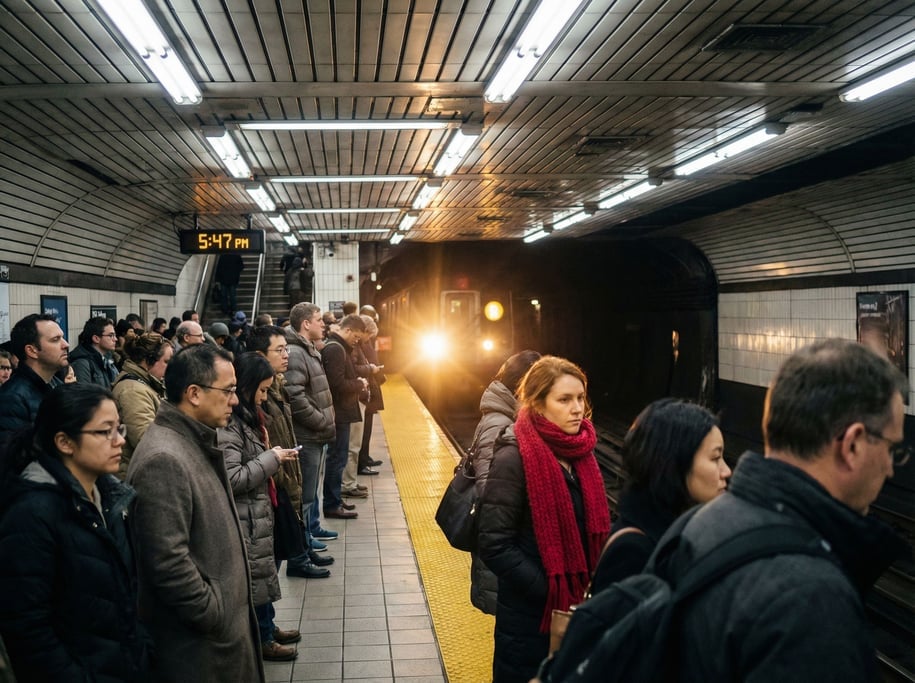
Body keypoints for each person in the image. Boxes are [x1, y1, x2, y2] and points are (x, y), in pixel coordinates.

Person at [672, 339, 909, 680]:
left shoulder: (698, 524)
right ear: (853, 444)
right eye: (891, 448)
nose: (890, 468)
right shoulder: (810, 601)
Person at [126, 344, 264, 683]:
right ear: (194, 393)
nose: (235, 400)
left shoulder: (193, 441)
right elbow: (166, 562)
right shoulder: (165, 458)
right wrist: (212, 611)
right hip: (204, 649)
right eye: (228, 391)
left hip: (220, 639)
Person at [0, 383, 150, 681]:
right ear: (64, 442)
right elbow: (27, 628)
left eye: (119, 428)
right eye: (105, 431)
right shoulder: (32, 515)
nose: (120, 440)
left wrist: (144, 652)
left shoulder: (109, 499)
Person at [477, 355, 611, 683]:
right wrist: (549, 589)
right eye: (564, 400)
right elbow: (493, 543)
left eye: (580, 398)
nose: (577, 408)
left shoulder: (582, 452)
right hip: (529, 619)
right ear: (537, 404)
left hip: (578, 610)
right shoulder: (513, 458)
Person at [588, 398, 730, 595]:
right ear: (675, 465)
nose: (727, 471)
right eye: (715, 458)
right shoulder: (631, 553)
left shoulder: (674, 530)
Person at [218, 352, 302, 662]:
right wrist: (271, 459)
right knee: (256, 575)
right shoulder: (230, 425)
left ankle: (267, 626)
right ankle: (262, 636)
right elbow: (233, 476)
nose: (265, 397)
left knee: (263, 571)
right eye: (263, 390)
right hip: (246, 513)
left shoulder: (250, 417)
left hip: (258, 507)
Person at [468, 349, 542, 615]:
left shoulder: (507, 418)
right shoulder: (498, 424)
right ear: (521, 387)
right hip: (506, 555)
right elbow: (490, 490)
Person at [284, 303, 339, 576]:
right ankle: (300, 556)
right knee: (304, 498)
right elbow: (295, 396)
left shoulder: (306, 349)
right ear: (306, 324)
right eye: (319, 320)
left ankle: (306, 548)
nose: (323, 324)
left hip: (315, 434)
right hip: (308, 434)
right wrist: (321, 420)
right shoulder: (296, 353)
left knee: (308, 495)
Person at [321, 313, 368, 520]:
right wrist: (359, 384)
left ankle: (336, 500)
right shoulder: (335, 348)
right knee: (336, 458)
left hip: (343, 412)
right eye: (356, 336)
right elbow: (336, 384)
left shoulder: (339, 347)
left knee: (339, 457)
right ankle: (332, 504)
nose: (357, 341)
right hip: (339, 413)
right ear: (347, 330)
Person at [111, 332, 172, 479]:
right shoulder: (133, 391)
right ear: (148, 360)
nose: (169, 368)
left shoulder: (144, 385)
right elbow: (145, 440)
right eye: (166, 361)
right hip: (135, 476)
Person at [0, 313, 68, 443]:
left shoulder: (57, 385)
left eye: (63, 338)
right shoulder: (12, 398)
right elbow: (13, 456)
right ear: (32, 351)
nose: (66, 344)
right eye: (55, 339)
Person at [357, 312, 385, 472]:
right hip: (363, 394)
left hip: (368, 392)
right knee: (362, 432)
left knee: (366, 431)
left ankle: (364, 458)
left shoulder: (362, 345)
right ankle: (362, 461)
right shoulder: (357, 347)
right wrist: (372, 369)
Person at [68, 316, 119, 388]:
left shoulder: (106, 359)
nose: (115, 339)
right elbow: (84, 394)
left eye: (115, 335)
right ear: (96, 338)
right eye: (111, 335)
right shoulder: (81, 363)